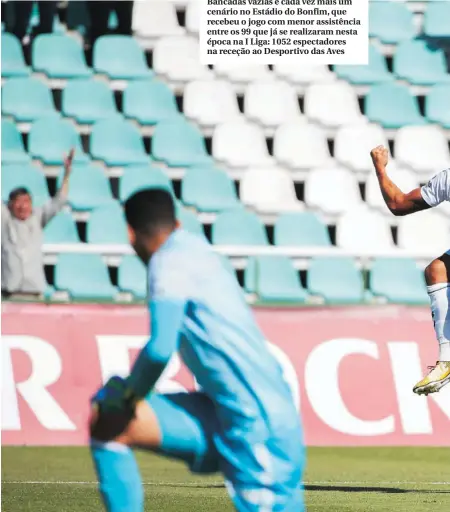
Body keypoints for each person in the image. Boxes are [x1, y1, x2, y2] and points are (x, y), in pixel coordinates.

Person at [89, 188, 305, 512]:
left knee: (115, 410)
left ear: (130, 233)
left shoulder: (167, 262)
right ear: (176, 223)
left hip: (257, 424)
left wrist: (130, 395)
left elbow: (161, 350)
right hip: (224, 414)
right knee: (108, 422)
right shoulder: (196, 248)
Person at [371, 145, 450, 395]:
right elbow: (398, 204)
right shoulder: (447, 180)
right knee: (437, 271)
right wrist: (380, 169)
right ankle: (447, 359)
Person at [1, 150, 74, 299]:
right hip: (9, 293)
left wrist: (66, 175)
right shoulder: (4, 221)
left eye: (26, 202)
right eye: (18, 202)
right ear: (10, 205)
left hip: (34, 293)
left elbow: (59, 200)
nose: (23, 206)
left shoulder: (38, 217)